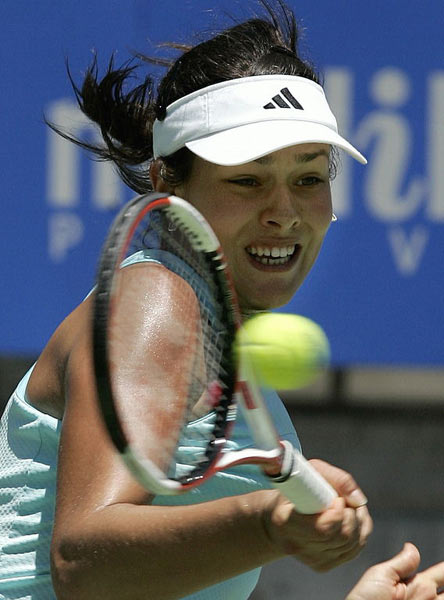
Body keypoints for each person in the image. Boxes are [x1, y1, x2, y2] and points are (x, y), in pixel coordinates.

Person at [0, 2, 442, 599]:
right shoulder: (158, 300)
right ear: (166, 182)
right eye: (247, 179)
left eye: (308, 179)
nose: (284, 213)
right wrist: (267, 525)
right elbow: (83, 565)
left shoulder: (211, 329)